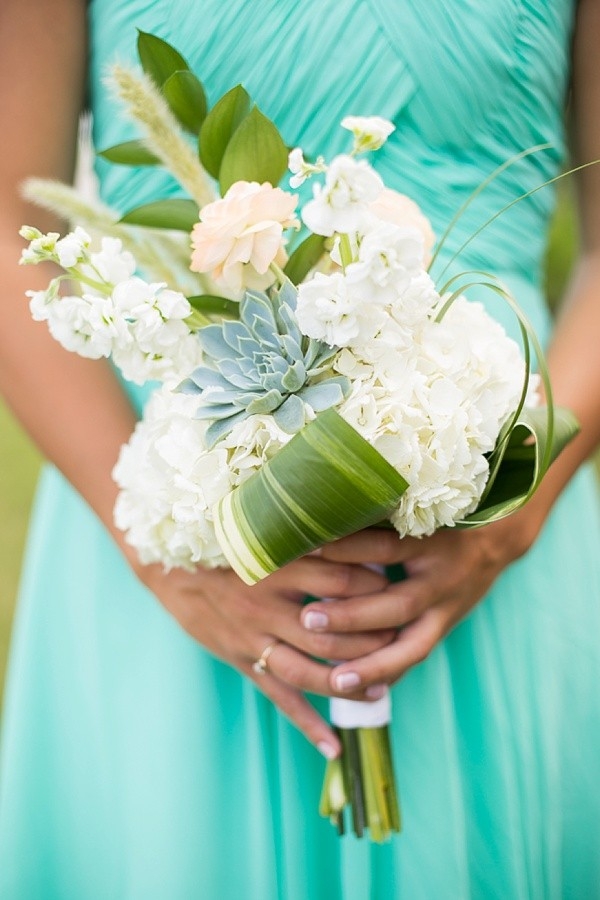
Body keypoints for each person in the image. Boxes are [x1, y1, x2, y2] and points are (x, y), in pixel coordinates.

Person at [1, 0, 600, 897]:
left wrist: (509, 514)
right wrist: (169, 557)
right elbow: (13, 231)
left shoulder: (502, 524)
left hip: (493, 514)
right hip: (173, 522)